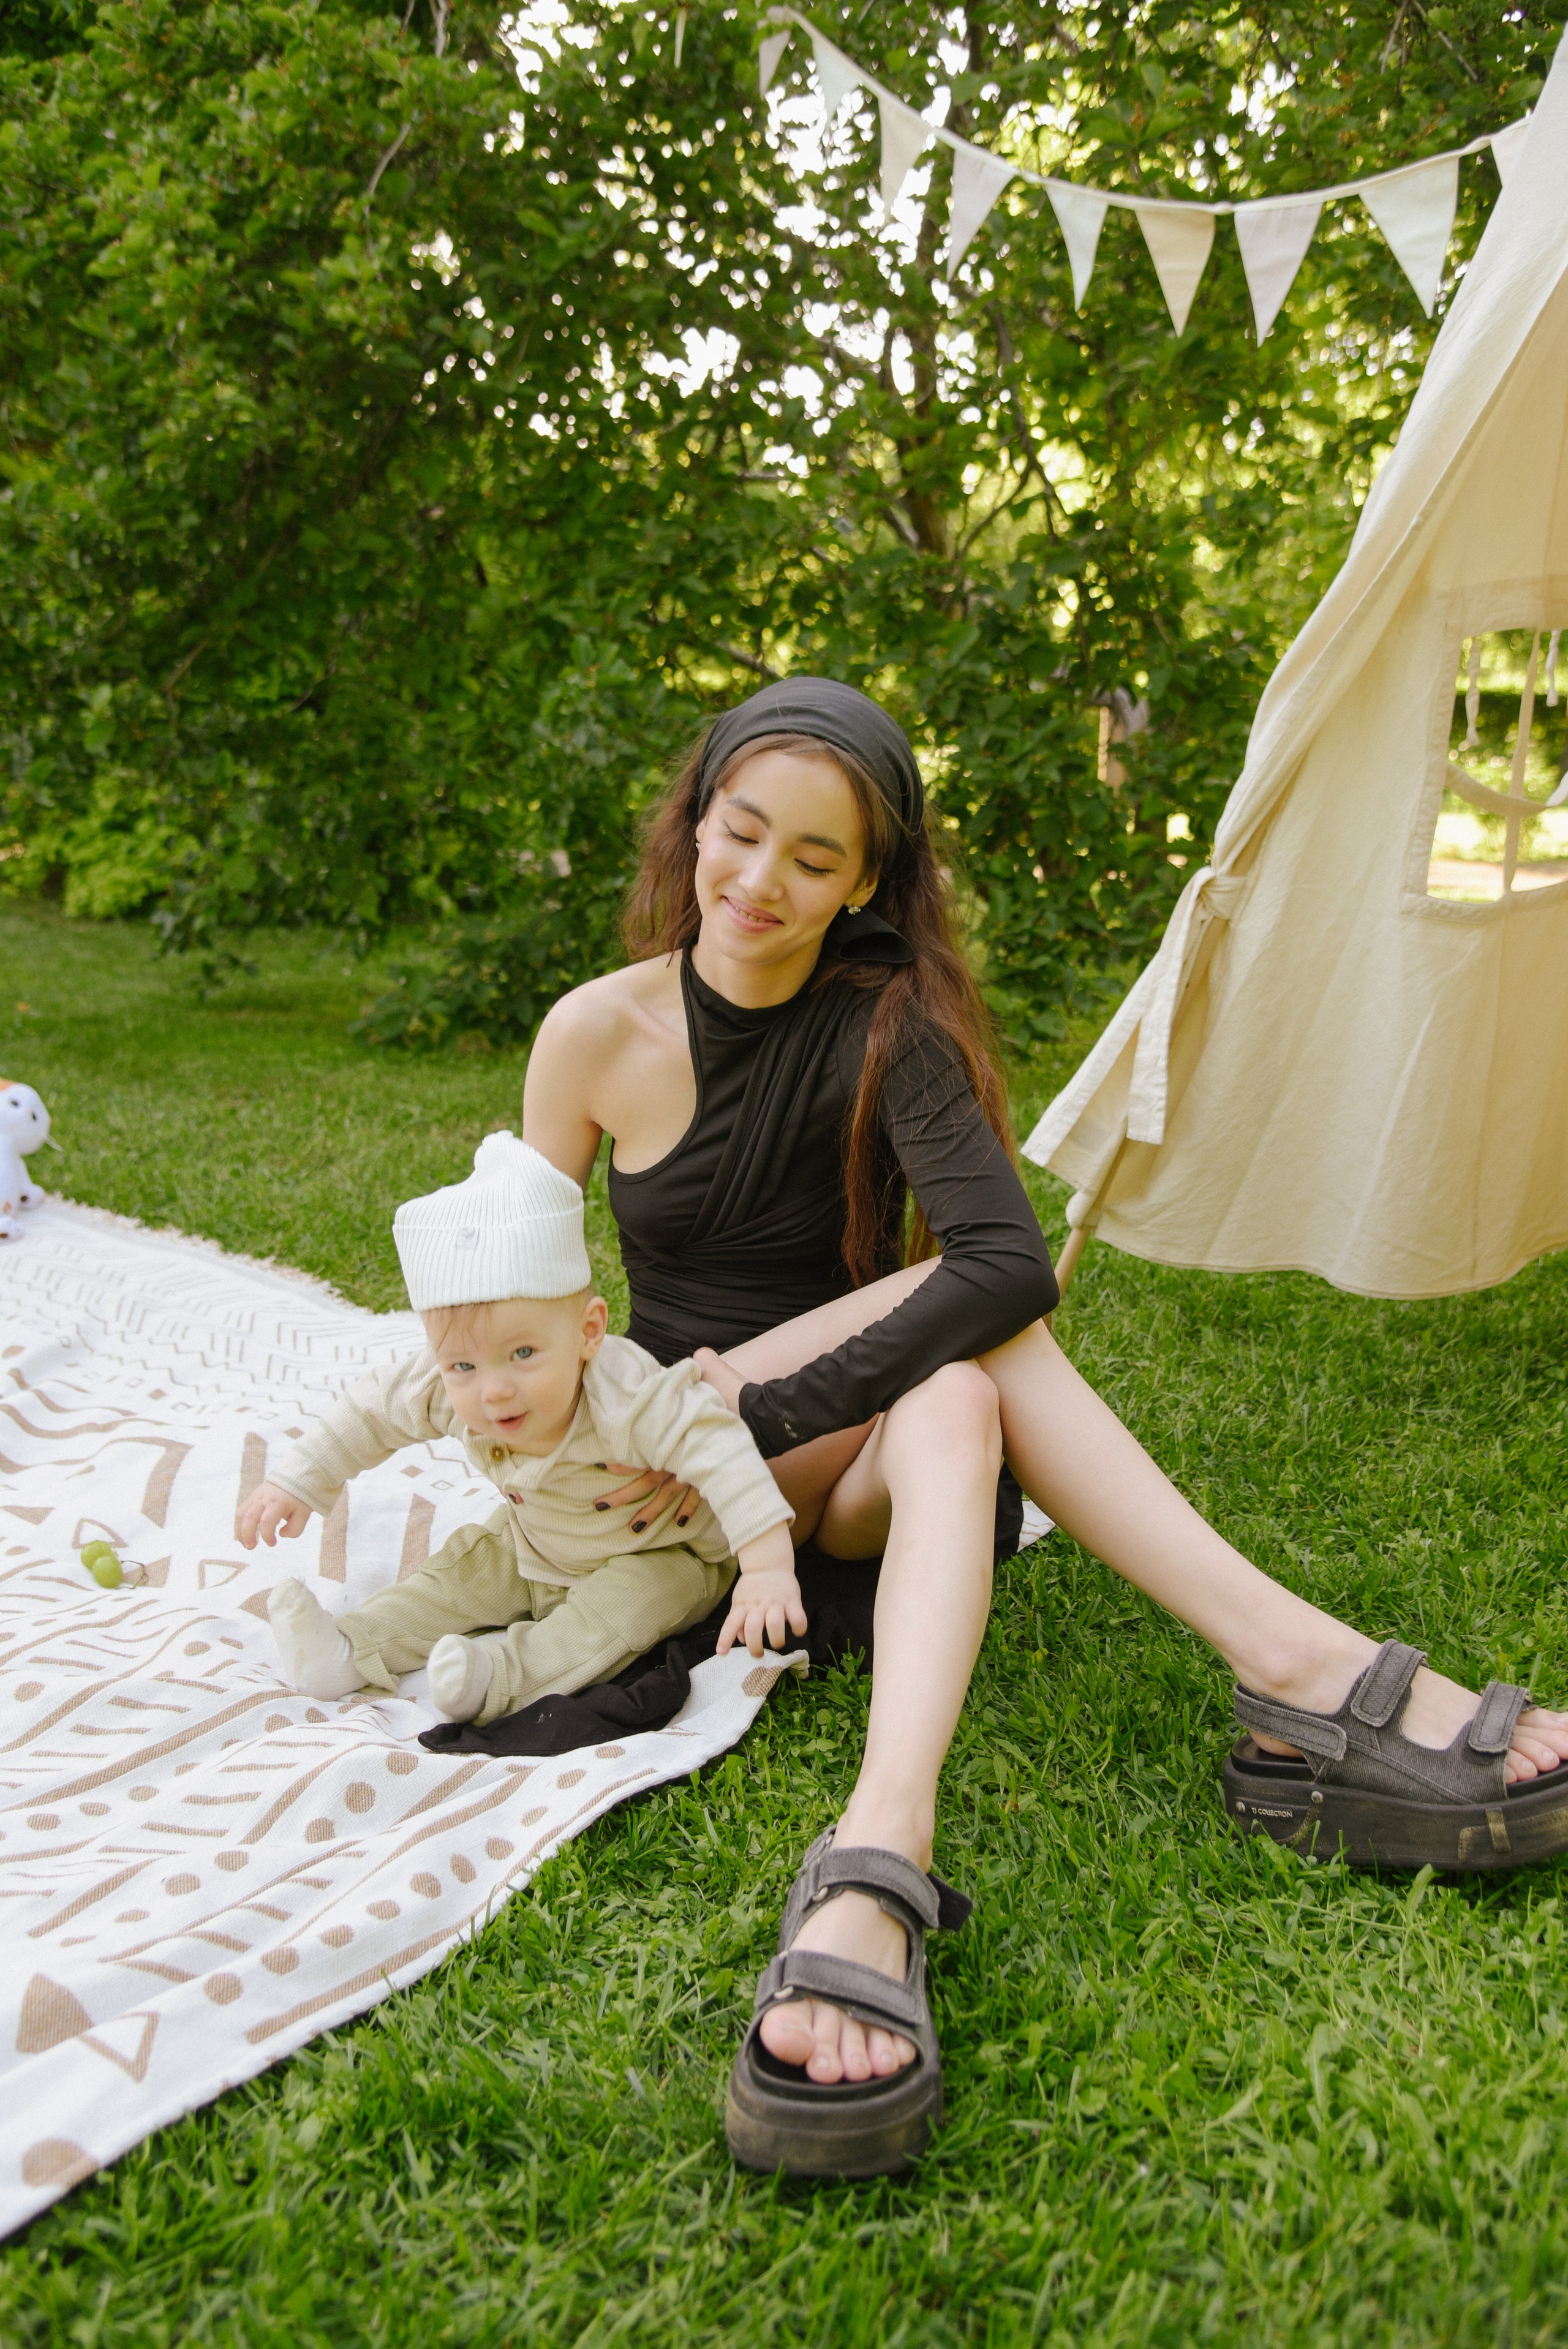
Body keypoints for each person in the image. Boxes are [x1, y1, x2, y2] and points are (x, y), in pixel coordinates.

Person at [521, 675, 1568, 2180]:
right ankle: (1295, 1671)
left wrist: (767, 1405)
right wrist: (666, 1424)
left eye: (813, 859)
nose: (758, 881)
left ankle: (884, 1854)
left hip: (831, 1465)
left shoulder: (891, 1027)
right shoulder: (588, 1031)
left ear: (868, 880)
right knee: (965, 1347)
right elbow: (511, 1302)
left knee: (958, 1365)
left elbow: (1003, 1263)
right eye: (737, 832)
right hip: (666, 1468)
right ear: (695, 822)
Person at [236, 1134, 803, 1725]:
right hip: (536, 1542)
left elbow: (720, 1446)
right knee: (458, 1574)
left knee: (615, 1616)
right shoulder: (452, 1384)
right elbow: (372, 1409)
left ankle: (499, 1677)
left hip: (659, 1551)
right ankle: (350, 1648)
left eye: (525, 1352)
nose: (494, 1389)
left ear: (588, 1332)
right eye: (464, 1366)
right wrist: (300, 1480)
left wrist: (766, 1567)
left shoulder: (625, 1393)